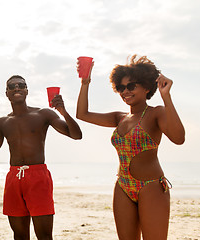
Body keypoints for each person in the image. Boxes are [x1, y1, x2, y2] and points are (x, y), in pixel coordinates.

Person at [76, 55, 185, 239]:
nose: (125, 91)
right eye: (120, 87)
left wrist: (166, 97)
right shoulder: (119, 118)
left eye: (131, 86)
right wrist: (85, 82)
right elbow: (82, 114)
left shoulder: (156, 113)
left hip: (151, 187)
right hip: (123, 186)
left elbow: (179, 138)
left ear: (147, 87)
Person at [0, 75, 82, 240]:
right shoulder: (3, 122)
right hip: (14, 178)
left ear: (26, 90)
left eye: (21, 85)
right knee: (20, 235)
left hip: (38, 177)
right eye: (12, 86)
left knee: (44, 236)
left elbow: (76, 135)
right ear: (7, 93)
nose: (17, 88)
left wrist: (63, 112)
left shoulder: (43, 114)